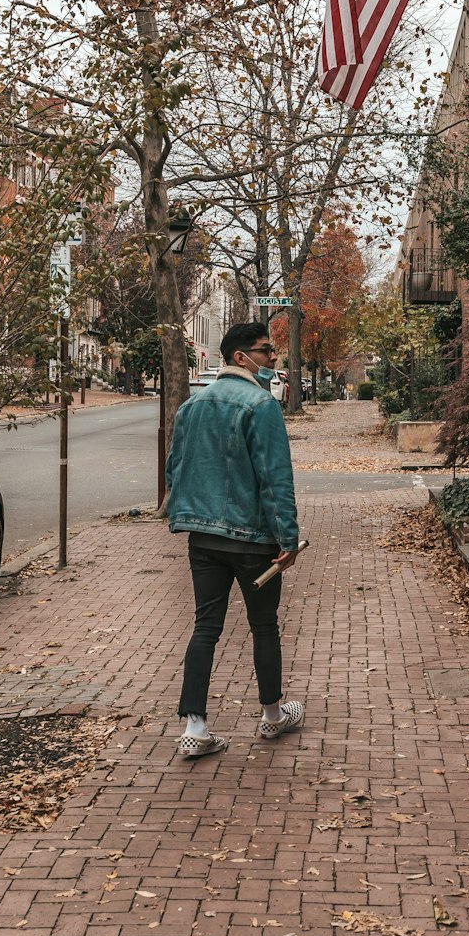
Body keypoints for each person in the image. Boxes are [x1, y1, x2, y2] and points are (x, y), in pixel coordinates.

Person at [166, 321, 303, 758]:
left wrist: (186, 516)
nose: (273, 359)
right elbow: (275, 478)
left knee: (206, 626)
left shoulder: (191, 406)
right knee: (263, 625)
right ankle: (272, 717)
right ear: (241, 357)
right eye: (266, 351)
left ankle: (195, 727)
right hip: (254, 540)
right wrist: (288, 538)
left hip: (203, 537)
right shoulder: (262, 406)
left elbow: (174, 469)